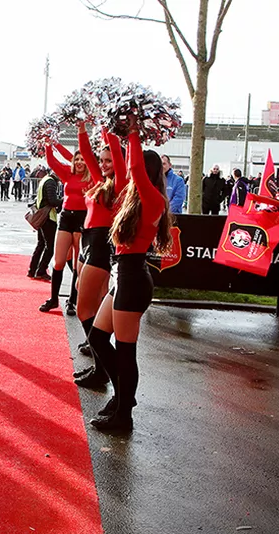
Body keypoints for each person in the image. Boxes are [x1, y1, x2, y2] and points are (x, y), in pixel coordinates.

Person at [87, 128, 173, 433]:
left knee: (126, 351)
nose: (128, 169)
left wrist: (134, 130)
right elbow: (125, 164)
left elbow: (133, 166)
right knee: (98, 338)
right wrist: (112, 131)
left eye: (136, 167)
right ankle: (124, 397)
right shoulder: (132, 196)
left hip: (133, 279)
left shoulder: (153, 198)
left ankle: (123, 414)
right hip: (124, 277)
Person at [74, 123, 127, 389]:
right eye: (102, 160)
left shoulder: (120, 185)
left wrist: (110, 126)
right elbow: (86, 151)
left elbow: (117, 152)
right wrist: (82, 127)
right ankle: (99, 367)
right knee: (86, 301)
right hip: (89, 242)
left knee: (83, 308)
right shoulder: (101, 181)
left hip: (100, 246)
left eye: (108, 160)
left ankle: (102, 369)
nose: (104, 164)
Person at [42, 142, 90, 315]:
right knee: (59, 261)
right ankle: (54, 298)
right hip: (66, 217)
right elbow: (52, 161)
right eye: (76, 159)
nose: (79, 162)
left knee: (77, 263)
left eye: (83, 159)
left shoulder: (92, 176)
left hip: (82, 219)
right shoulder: (67, 173)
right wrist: (50, 144)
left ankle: (72, 301)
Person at [28, 172, 62, 280]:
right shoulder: (51, 182)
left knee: (41, 244)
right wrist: (64, 200)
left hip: (42, 216)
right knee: (49, 247)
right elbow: (53, 201)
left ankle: (32, 270)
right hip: (48, 217)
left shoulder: (45, 179)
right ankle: (41, 271)